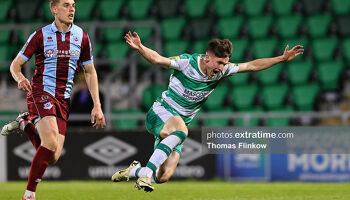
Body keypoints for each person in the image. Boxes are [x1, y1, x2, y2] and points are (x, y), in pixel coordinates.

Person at [111, 31, 303, 192]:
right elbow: (158, 60)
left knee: (164, 176)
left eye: (225, 63)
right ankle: (145, 174)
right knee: (181, 131)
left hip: (178, 125)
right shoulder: (187, 63)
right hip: (161, 112)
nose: (221, 68)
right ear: (207, 57)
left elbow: (252, 65)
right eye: (219, 63)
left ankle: (136, 170)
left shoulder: (223, 70)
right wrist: (141, 48)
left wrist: (282, 58)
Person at [0, 0, 106, 199]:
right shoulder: (40, 35)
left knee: (53, 156)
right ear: (54, 9)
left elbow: (90, 72)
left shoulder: (81, 36)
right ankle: (29, 195)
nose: (72, 9)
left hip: (63, 100)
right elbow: (15, 65)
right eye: (66, 5)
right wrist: (21, 78)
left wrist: (97, 105)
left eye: (73, 4)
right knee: (49, 142)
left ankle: (25, 123)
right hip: (41, 93)